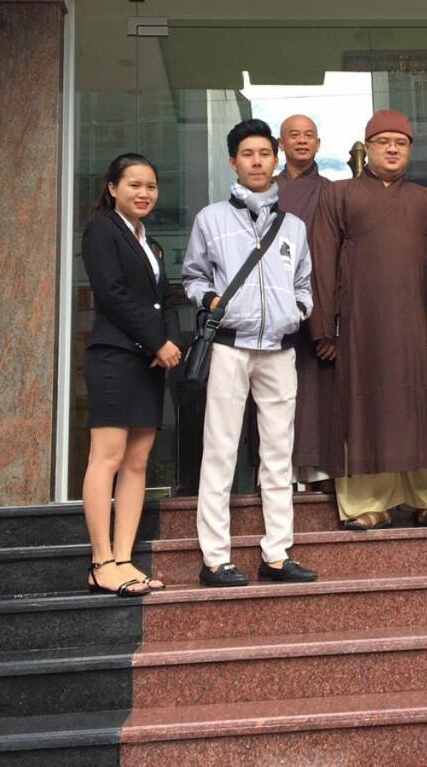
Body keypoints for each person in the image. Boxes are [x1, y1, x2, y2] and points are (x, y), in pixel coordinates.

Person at [311, 110, 427, 531]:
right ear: (368, 147)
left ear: (410, 149)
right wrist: (324, 327)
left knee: (424, 407)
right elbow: (322, 260)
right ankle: (367, 502)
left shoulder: (425, 200)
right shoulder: (340, 194)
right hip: (361, 322)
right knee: (367, 406)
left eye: (401, 142)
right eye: (384, 142)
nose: (393, 149)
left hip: (420, 322)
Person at [182, 119, 319, 587]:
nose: (257, 162)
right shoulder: (211, 219)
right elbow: (193, 276)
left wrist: (298, 311)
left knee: (279, 455)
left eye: (264, 153)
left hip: (279, 350)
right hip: (229, 347)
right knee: (220, 451)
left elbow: (304, 282)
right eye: (247, 154)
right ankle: (215, 559)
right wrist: (209, 300)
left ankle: (277, 554)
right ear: (232, 162)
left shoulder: (293, 227)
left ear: (275, 160)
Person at [80, 153, 182, 596]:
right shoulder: (102, 229)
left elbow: (165, 298)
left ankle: (124, 559)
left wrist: (170, 342)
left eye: (151, 186)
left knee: (137, 461)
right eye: (134, 185)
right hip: (115, 357)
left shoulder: (150, 243)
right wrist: (157, 342)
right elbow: (112, 294)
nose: (144, 194)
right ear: (112, 188)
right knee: (107, 457)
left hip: (148, 362)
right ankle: (101, 562)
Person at [275, 114, 334, 485]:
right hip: (270, 312)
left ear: (318, 143)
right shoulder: (266, 191)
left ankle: (317, 474)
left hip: (318, 307)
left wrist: (330, 322)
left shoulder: (332, 192)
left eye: (308, 135)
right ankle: (276, 477)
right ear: (281, 144)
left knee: (314, 395)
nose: (301, 141)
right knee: (273, 397)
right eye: (293, 135)